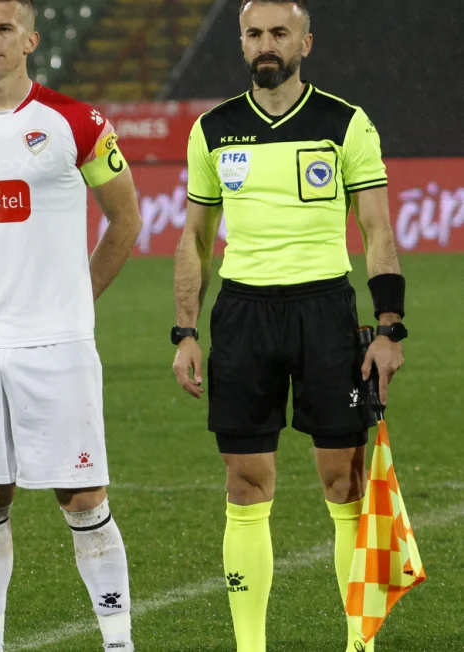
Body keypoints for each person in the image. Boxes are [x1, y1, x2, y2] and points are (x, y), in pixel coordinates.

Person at [171, 2, 405, 651]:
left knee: (344, 484)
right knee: (244, 485)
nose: (265, 43)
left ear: (305, 42)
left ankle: (359, 644)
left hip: (325, 313)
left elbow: (377, 230)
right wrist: (184, 331)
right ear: (241, 43)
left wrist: (390, 328)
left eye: (279, 32)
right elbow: (194, 238)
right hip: (243, 317)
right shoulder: (213, 130)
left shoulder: (344, 123)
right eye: (254, 33)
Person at [0, 1, 142, 650]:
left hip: (57, 343)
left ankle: (118, 641)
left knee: (82, 495)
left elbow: (126, 218)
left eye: (3, 28)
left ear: (30, 41)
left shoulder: (75, 122)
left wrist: (78, 296)